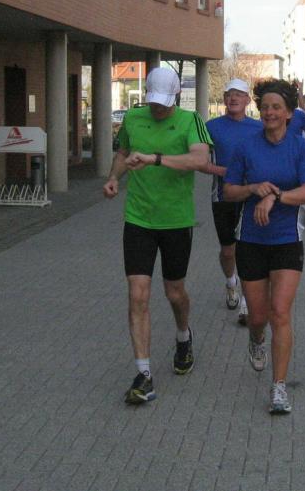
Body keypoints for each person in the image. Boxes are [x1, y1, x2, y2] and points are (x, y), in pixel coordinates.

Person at [103, 67, 213, 405]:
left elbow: (200, 159)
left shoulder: (190, 120)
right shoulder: (133, 119)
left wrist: (156, 159)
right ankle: (144, 374)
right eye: (153, 101)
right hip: (139, 219)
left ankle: (183, 336)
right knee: (138, 294)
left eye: (163, 103)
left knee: (174, 293)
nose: (158, 108)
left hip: (176, 221)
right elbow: (123, 154)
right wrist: (114, 178)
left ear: (176, 95)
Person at [223, 79, 305, 414]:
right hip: (251, 240)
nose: (269, 112)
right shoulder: (246, 147)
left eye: (276, 107)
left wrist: (276, 195)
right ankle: (256, 339)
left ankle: (279, 387)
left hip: (287, 240)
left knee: (280, 312)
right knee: (258, 316)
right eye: (264, 107)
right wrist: (253, 189)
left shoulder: (300, 148)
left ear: (289, 113)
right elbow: (229, 191)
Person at [205, 79, 262, 325]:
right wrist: (226, 172)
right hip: (223, 195)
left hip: (251, 195)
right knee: (228, 250)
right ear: (224, 99)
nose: (233, 98)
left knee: (249, 248)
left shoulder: (259, 127)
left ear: (248, 100)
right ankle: (231, 282)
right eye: (229, 94)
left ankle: (247, 302)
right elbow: (200, 162)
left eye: (239, 94)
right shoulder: (211, 127)